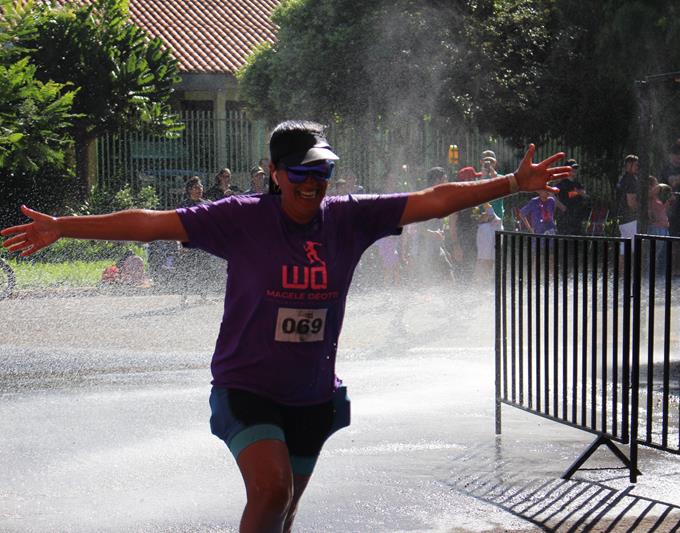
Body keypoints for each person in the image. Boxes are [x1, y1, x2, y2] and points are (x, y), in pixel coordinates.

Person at [1, 119, 570, 533]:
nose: (313, 183)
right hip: (246, 388)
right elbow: (151, 224)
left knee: (284, 508)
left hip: (311, 397)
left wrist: (512, 184)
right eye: (300, 172)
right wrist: (65, 227)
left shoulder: (348, 219)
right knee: (272, 488)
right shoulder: (240, 219)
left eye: (322, 171)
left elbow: (433, 200)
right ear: (275, 173)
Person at [448, 166, 482, 281]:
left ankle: (466, 297)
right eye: (474, 179)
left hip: (472, 242)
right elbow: (452, 223)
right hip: (461, 243)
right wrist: (456, 245)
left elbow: (472, 218)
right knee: (461, 275)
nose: (476, 181)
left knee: (469, 274)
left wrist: (484, 218)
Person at [554, 158, 590, 235]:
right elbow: (550, 193)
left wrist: (581, 193)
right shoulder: (562, 184)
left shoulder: (578, 184)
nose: (574, 170)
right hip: (565, 219)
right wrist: (561, 206)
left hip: (577, 219)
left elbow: (586, 196)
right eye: (572, 168)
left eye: (576, 168)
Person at [615, 154, 640, 253]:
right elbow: (631, 203)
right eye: (636, 165)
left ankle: (622, 268)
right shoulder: (631, 180)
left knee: (624, 248)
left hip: (623, 218)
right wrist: (642, 210)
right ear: (629, 165)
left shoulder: (623, 178)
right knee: (632, 249)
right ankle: (629, 268)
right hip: (630, 219)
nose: (638, 167)